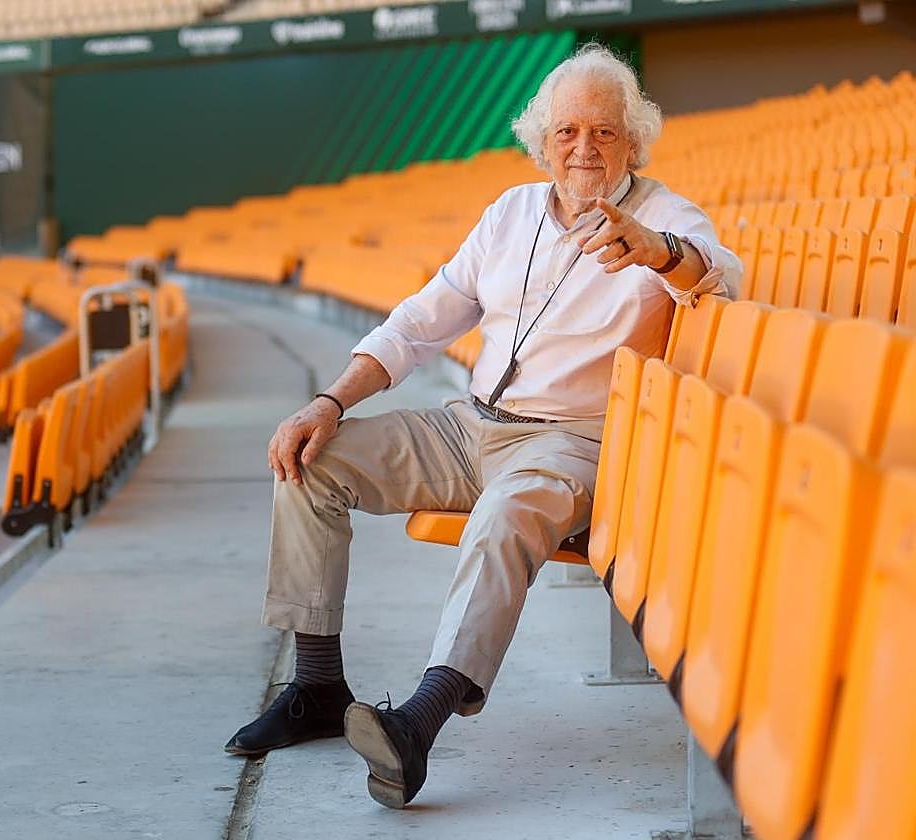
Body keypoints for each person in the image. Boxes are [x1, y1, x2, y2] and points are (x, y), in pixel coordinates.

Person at [224, 43, 741, 809]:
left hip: (573, 440)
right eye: (567, 132)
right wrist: (328, 402)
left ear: (633, 142)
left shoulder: (664, 215)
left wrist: (660, 252)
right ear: (543, 143)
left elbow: (726, 278)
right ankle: (318, 686)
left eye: (604, 132)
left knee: (504, 515)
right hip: (468, 427)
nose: (585, 148)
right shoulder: (509, 213)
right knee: (313, 461)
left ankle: (418, 726)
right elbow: (418, 323)